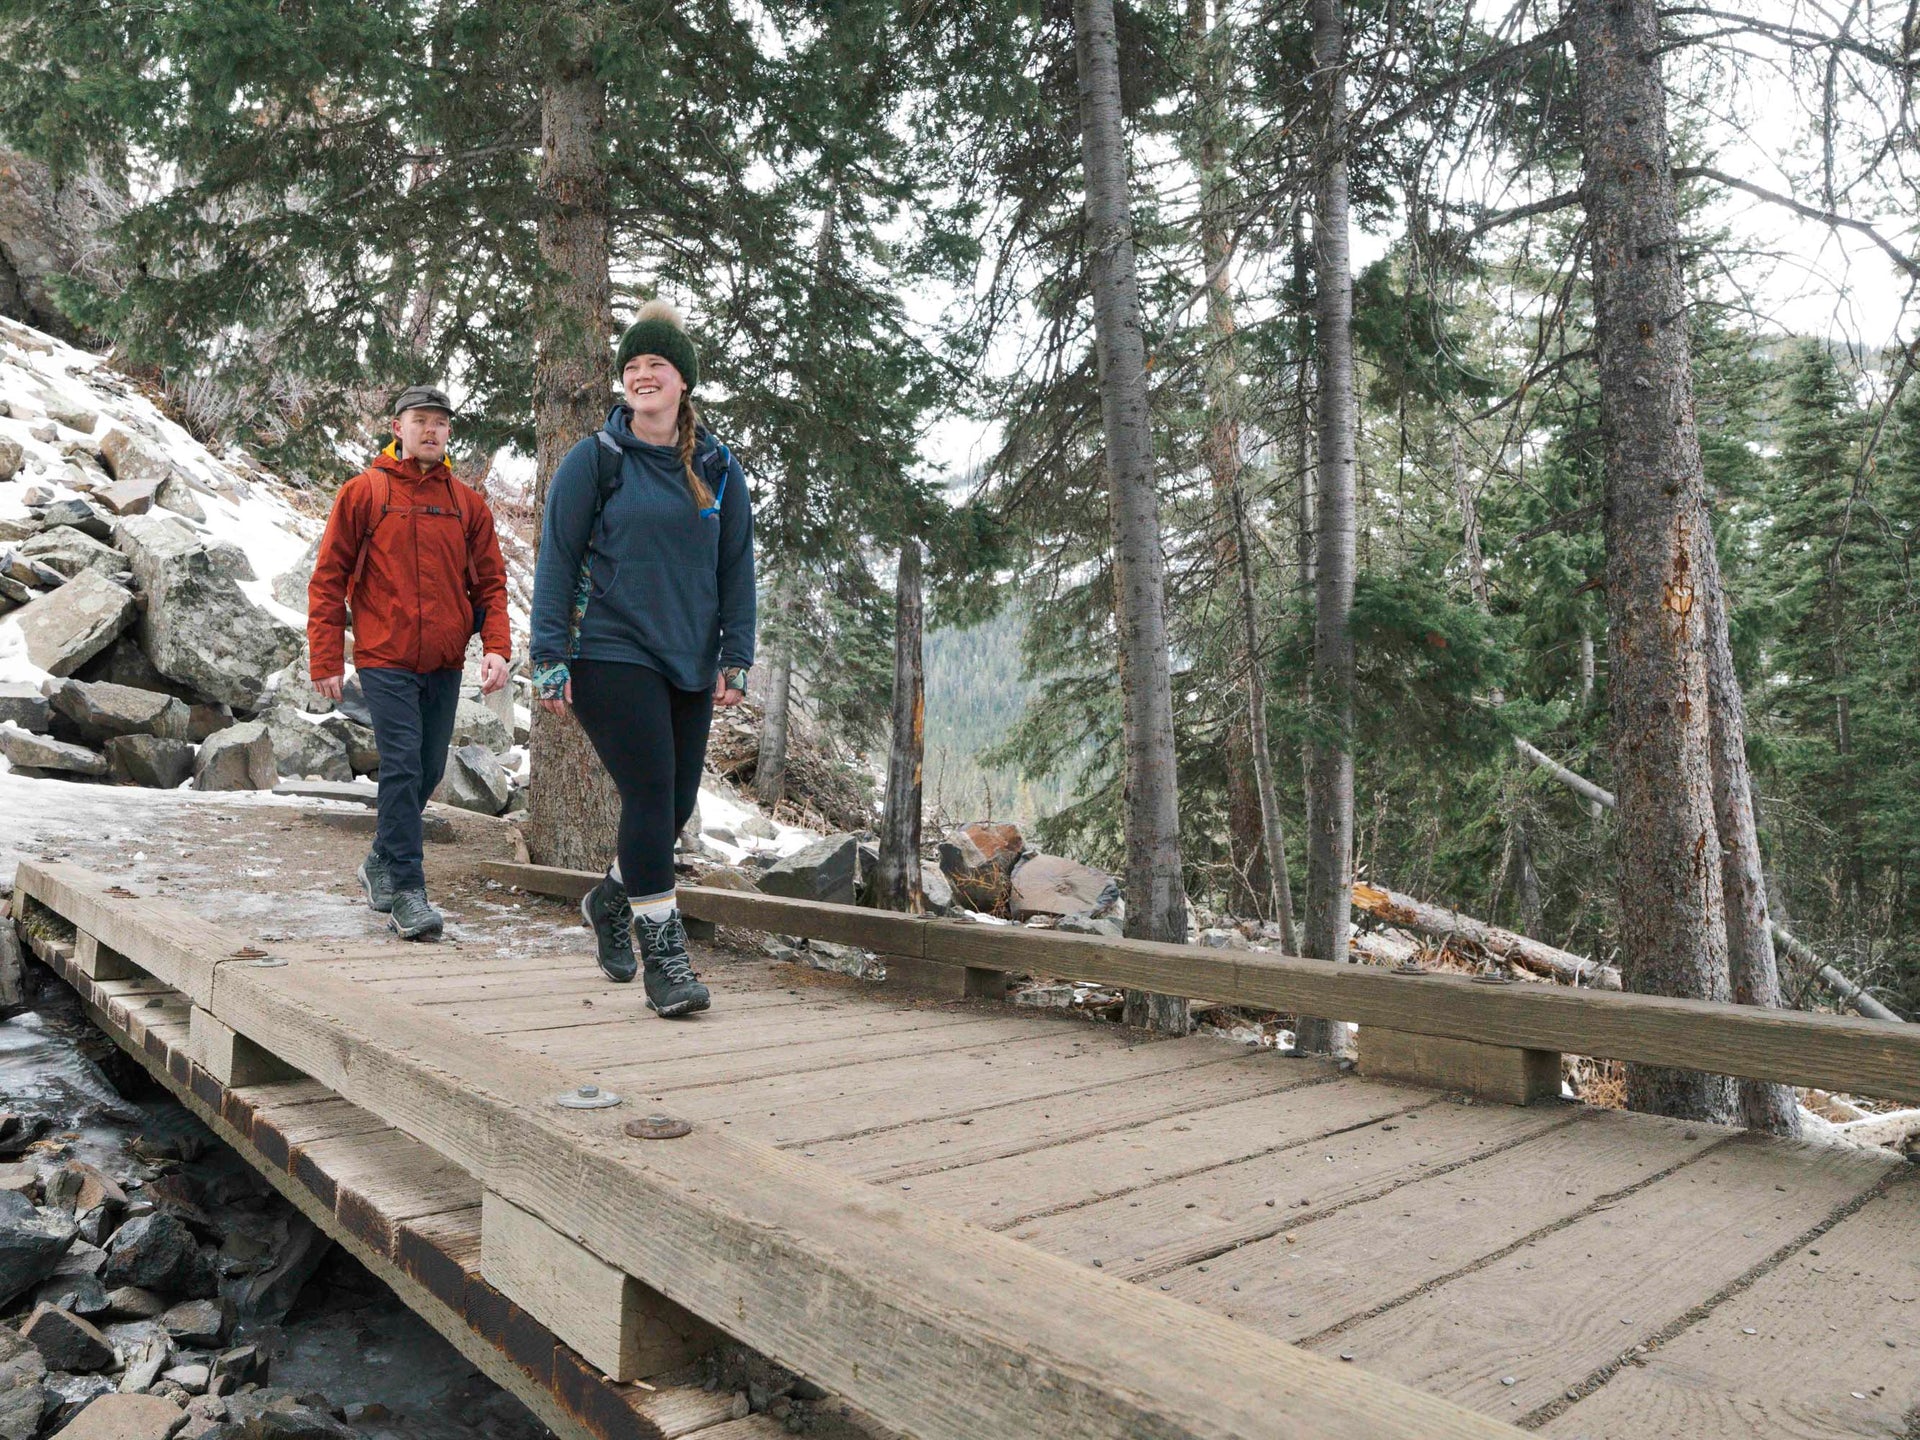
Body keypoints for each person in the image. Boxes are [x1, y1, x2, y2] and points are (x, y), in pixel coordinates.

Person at [529, 300, 754, 1016]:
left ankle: (609, 899)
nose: (642, 374)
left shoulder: (718, 466)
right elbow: (558, 561)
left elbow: (736, 568)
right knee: (653, 793)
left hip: (687, 657)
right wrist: (549, 656)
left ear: (683, 380)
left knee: (675, 805)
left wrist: (735, 654)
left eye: (656, 364)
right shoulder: (596, 460)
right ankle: (665, 955)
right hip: (609, 649)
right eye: (631, 366)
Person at [309, 385, 512, 941]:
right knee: (401, 764)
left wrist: (496, 647)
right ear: (396, 428)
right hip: (385, 657)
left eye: (440, 423)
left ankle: (380, 858)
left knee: (425, 770)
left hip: (444, 662)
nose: (431, 430)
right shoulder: (364, 494)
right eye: (419, 420)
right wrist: (326, 656)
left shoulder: (467, 505)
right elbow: (328, 579)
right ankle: (407, 890)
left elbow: (491, 584)